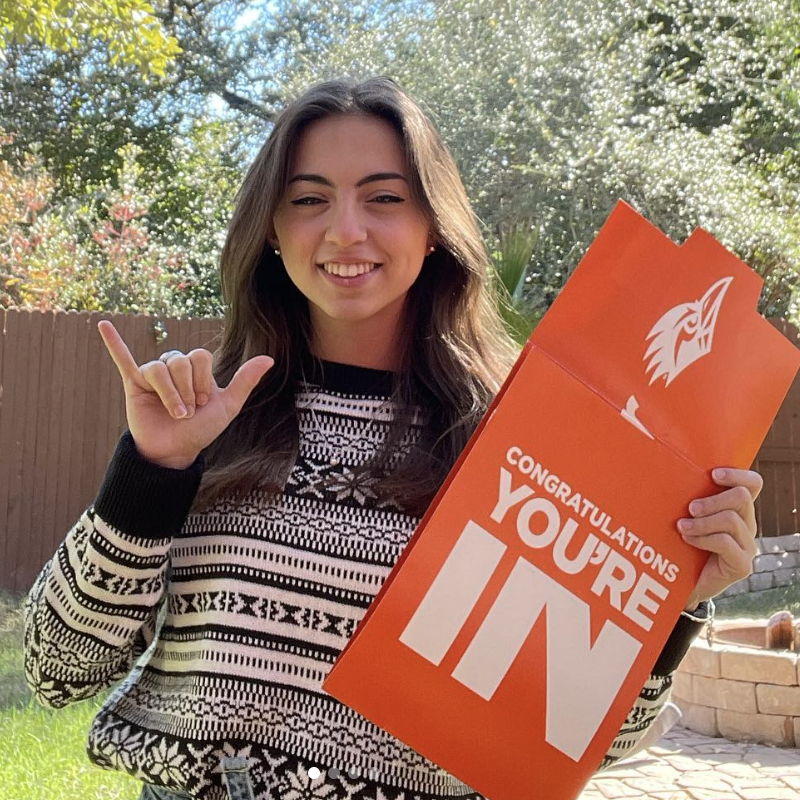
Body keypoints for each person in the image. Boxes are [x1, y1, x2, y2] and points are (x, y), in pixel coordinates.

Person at [23, 76, 763, 800]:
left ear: (433, 226)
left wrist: (676, 601)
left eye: (384, 198)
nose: (346, 230)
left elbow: (588, 743)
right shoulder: (208, 419)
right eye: (308, 199)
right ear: (272, 229)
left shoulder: (522, 438)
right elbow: (57, 669)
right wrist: (152, 469)